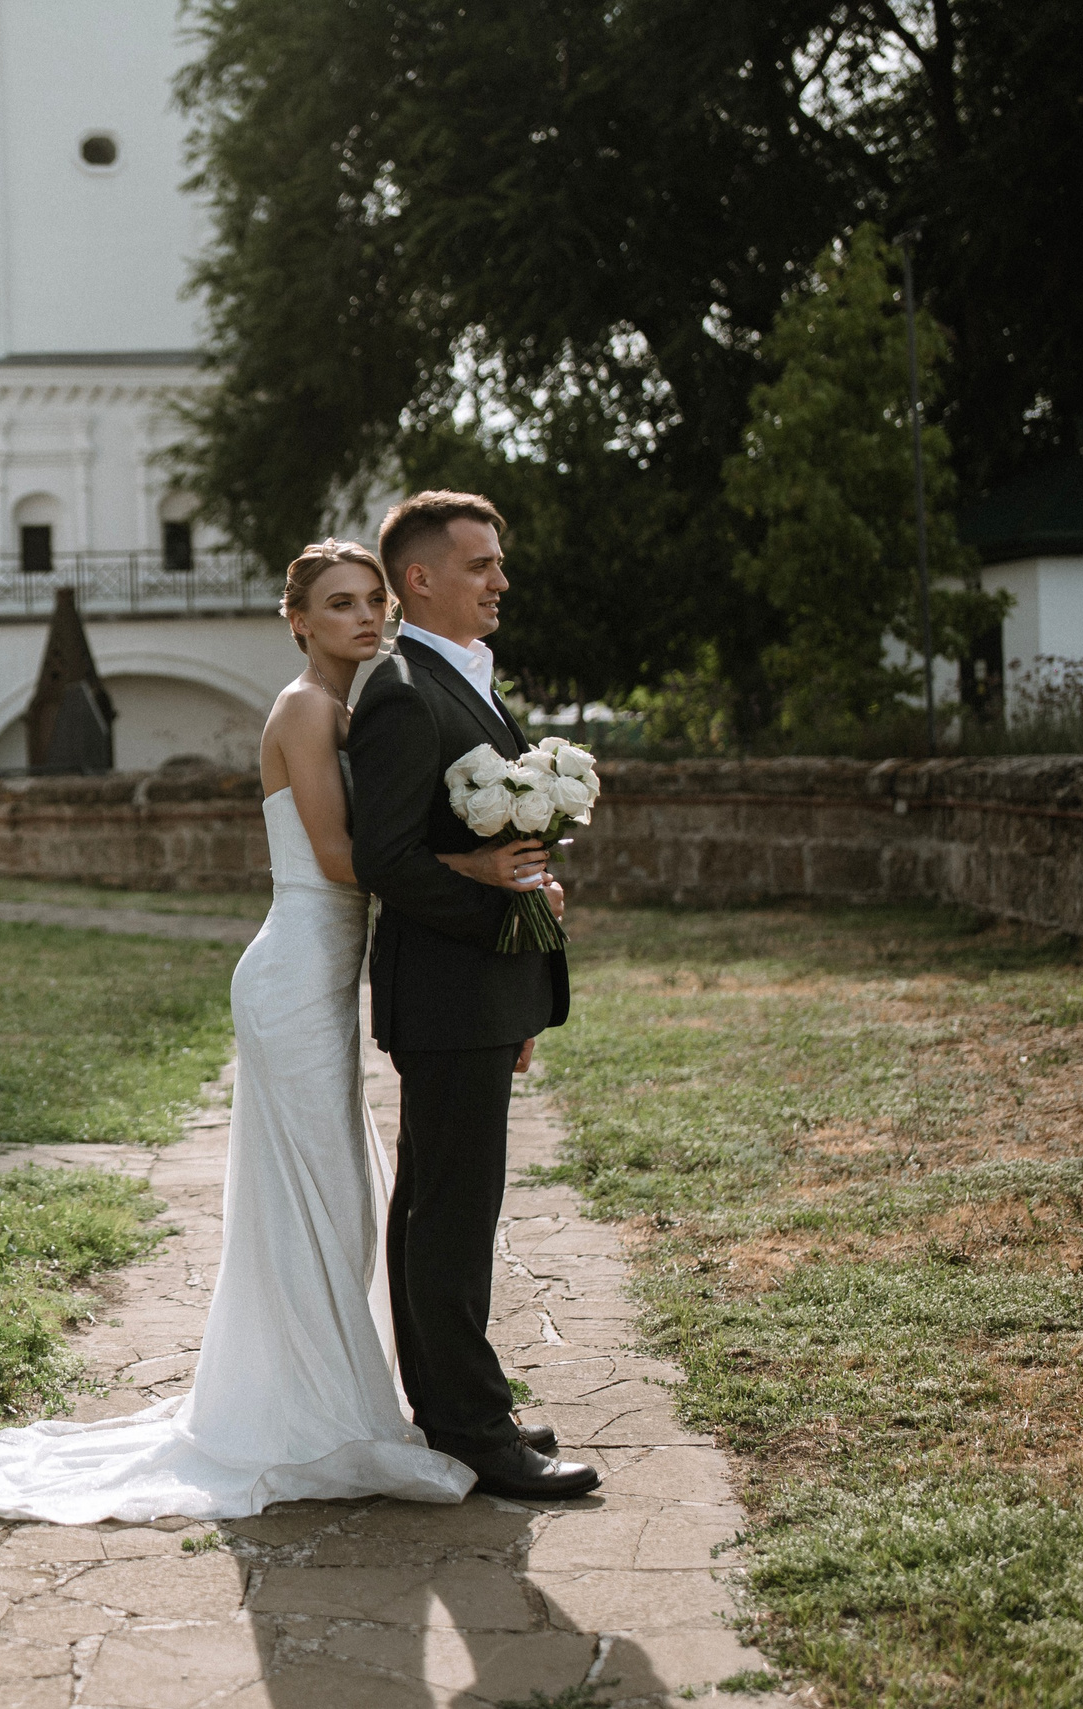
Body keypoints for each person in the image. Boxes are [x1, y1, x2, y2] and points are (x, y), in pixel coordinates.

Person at [0, 540, 486, 1523]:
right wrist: (459, 872)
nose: (364, 616)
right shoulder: (307, 708)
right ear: (298, 619)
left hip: (318, 979)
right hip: (291, 974)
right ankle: (314, 1417)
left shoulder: (351, 708)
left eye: (372, 599)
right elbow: (335, 854)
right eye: (339, 603)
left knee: (334, 1194)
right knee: (319, 1195)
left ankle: (329, 1393)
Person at [351, 491, 599, 1500]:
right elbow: (390, 860)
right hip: (447, 989)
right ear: (419, 578)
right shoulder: (405, 690)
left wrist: (528, 887)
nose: (499, 580)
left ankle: (455, 1404)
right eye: (480, 564)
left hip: (479, 988)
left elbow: (480, 845)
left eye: (498, 563)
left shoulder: (467, 681)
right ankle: (471, 1426)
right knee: (454, 1210)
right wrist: (492, 891)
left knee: (435, 1203)